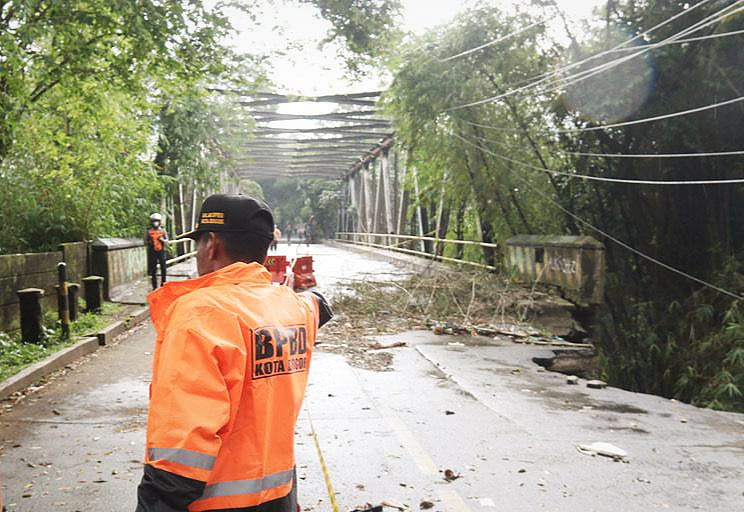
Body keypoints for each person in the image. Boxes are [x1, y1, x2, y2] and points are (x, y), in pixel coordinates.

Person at [136, 194, 332, 512]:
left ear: (211, 243)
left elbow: (182, 445)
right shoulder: (291, 306)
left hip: (215, 502)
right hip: (280, 495)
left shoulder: (199, 313)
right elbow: (318, 305)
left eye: (198, 243)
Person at [145, 213, 168, 290]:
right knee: (153, 270)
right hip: (152, 251)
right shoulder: (149, 232)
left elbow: (167, 240)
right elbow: (145, 242)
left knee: (163, 268)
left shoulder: (163, 231)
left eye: (157, 221)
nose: (155, 223)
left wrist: (162, 240)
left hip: (161, 251)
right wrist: (150, 242)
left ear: (160, 222)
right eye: (154, 221)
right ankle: (154, 286)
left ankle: (163, 284)